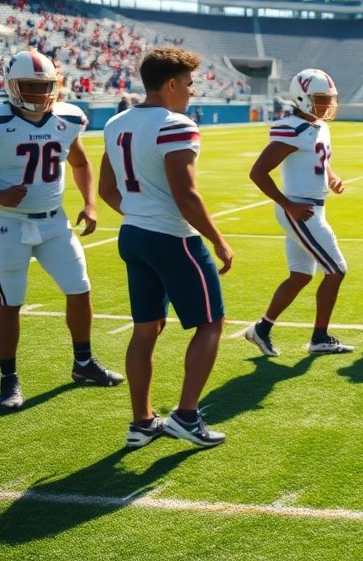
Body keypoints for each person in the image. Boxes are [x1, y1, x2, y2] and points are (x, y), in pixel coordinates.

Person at [0, 51, 122, 411]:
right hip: (8, 222)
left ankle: (83, 363)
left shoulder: (69, 118)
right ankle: (9, 378)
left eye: (45, 86)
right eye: (30, 86)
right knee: (11, 301)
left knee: (80, 289)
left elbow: (81, 161)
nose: (40, 94)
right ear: (11, 85)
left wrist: (90, 203)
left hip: (55, 222)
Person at [99, 47, 234, 449]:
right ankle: (186, 416)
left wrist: (141, 212)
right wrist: (218, 239)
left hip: (133, 235)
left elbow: (107, 189)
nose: (192, 92)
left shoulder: (116, 121)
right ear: (172, 84)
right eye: (189, 84)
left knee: (146, 328)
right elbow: (186, 194)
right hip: (173, 237)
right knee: (211, 323)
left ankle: (142, 422)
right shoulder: (176, 124)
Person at [244, 69, 353, 358]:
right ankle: (320, 337)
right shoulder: (291, 127)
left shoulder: (318, 126)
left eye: (328, 98)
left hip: (311, 207)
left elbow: (321, 158)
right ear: (302, 98)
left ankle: (261, 330)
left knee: (301, 276)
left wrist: (331, 176)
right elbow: (258, 172)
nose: (326, 104)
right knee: (337, 270)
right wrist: (287, 204)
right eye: (320, 98)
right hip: (301, 210)